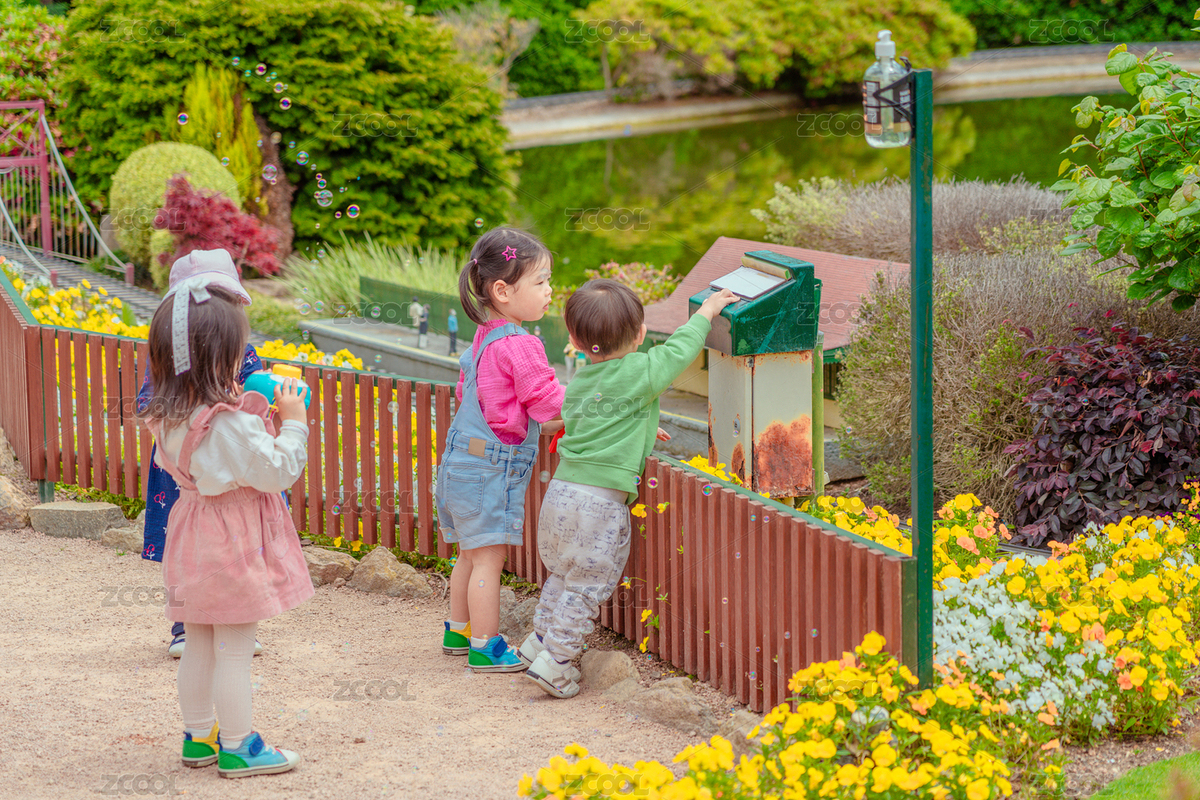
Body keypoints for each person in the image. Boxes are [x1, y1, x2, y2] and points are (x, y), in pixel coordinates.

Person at [522, 280, 737, 697]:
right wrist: (707, 312)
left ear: (576, 342)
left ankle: (538, 643)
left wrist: (640, 425)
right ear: (640, 335)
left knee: (562, 575)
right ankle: (557, 662)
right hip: (598, 504)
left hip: (561, 495)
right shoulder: (640, 371)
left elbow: (596, 418)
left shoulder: (582, 382)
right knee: (585, 588)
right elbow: (677, 352)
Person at [139, 278, 314, 777]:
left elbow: (214, 455)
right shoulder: (229, 423)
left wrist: (251, 412)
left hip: (191, 534)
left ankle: (199, 738)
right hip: (231, 543)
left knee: (197, 640)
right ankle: (239, 746)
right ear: (221, 357)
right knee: (235, 648)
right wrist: (294, 421)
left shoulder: (169, 413)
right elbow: (276, 471)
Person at [435, 227, 565, 671]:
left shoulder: (481, 340)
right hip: (489, 472)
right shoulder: (521, 344)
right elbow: (549, 406)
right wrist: (604, 406)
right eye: (542, 282)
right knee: (490, 559)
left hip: (460, 464)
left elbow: (473, 397)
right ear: (503, 291)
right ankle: (486, 647)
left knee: (470, 555)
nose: (551, 291)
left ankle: (459, 629)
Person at [137, 250, 264, 659]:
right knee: (187, 545)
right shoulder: (166, 354)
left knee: (233, 545)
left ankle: (233, 620)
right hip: (186, 475)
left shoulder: (241, 351)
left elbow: (256, 394)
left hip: (228, 468)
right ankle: (184, 626)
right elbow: (148, 403)